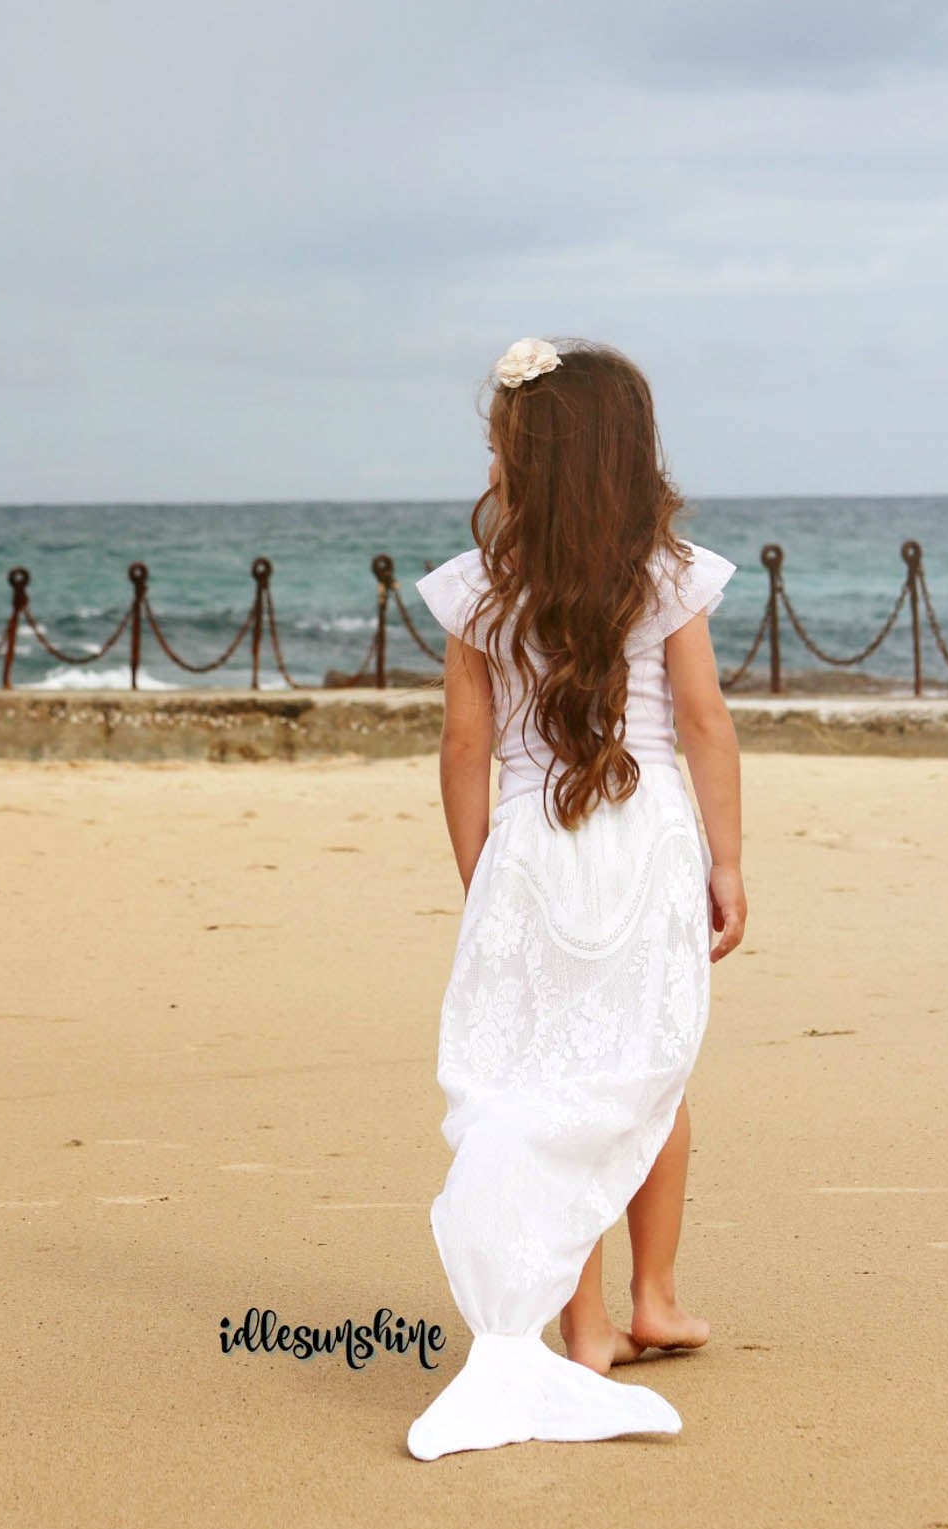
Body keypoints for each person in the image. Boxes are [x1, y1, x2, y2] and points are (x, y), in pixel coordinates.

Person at [405, 336, 747, 1462]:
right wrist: (728, 861)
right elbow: (703, 723)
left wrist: (481, 878)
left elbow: (464, 750)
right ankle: (657, 1297)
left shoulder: (477, 591)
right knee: (646, 1068)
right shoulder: (667, 574)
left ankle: (585, 1324)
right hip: (646, 845)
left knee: (553, 1072)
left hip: (531, 855)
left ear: (523, 462)